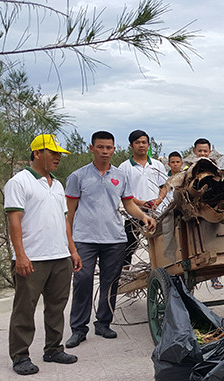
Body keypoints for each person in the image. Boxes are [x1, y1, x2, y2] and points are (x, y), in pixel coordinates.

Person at [65, 131, 156, 348]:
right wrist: (71, 245)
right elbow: (69, 213)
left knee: (110, 281)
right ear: (91, 148)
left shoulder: (120, 176)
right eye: (100, 147)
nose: (105, 151)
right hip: (85, 238)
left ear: (114, 149)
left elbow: (128, 204)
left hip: (114, 238)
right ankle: (78, 328)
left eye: (109, 147)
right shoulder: (78, 177)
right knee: (83, 280)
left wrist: (143, 217)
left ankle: (103, 323)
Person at [5, 134, 82, 375]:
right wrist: (21, 256)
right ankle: (20, 356)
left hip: (59, 256)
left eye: (60, 154)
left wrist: (72, 250)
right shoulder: (19, 182)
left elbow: (64, 220)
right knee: (24, 309)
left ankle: (53, 349)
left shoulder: (57, 184)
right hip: (33, 258)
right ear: (37, 153)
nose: (58, 158)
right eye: (53, 153)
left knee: (57, 306)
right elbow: (14, 221)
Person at [119, 130, 167, 267]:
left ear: (148, 144)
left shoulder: (157, 165)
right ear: (131, 145)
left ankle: (160, 273)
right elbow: (123, 193)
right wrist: (142, 203)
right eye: (137, 142)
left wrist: (158, 200)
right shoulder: (124, 167)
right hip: (133, 215)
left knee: (159, 246)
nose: (141, 145)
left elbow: (164, 186)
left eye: (144, 142)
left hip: (157, 213)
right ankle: (123, 277)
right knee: (129, 248)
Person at [192, 138, 224, 289]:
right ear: (194, 152)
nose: (202, 153)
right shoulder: (190, 170)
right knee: (195, 245)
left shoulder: (216, 170)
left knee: (213, 244)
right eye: (200, 151)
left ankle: (214, 277)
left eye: (205, 151)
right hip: (193, 214)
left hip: (212, 212)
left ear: (210, 152)